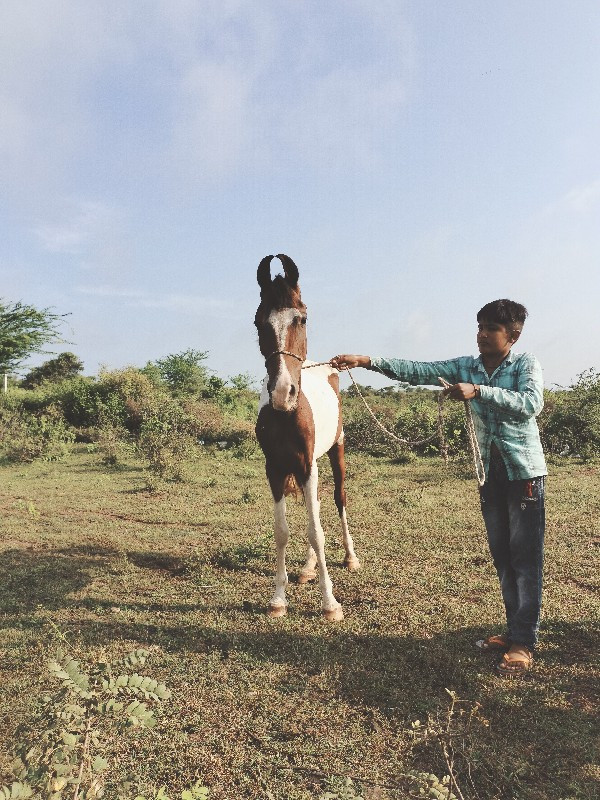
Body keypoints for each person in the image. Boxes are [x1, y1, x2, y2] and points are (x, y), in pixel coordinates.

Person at [330, 299, 546, 677]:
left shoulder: (525, 365)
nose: (481, 334)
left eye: (490, 329)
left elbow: (531, 403)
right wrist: (367, 361)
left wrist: (478, 392)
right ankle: (514, 633)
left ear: (513, 335)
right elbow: (420, 370)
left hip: (524, 474)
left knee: (525, 561)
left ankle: (523, 643)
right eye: (479, 326)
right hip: (488, 475)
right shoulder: (466, 365)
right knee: (502, 557)